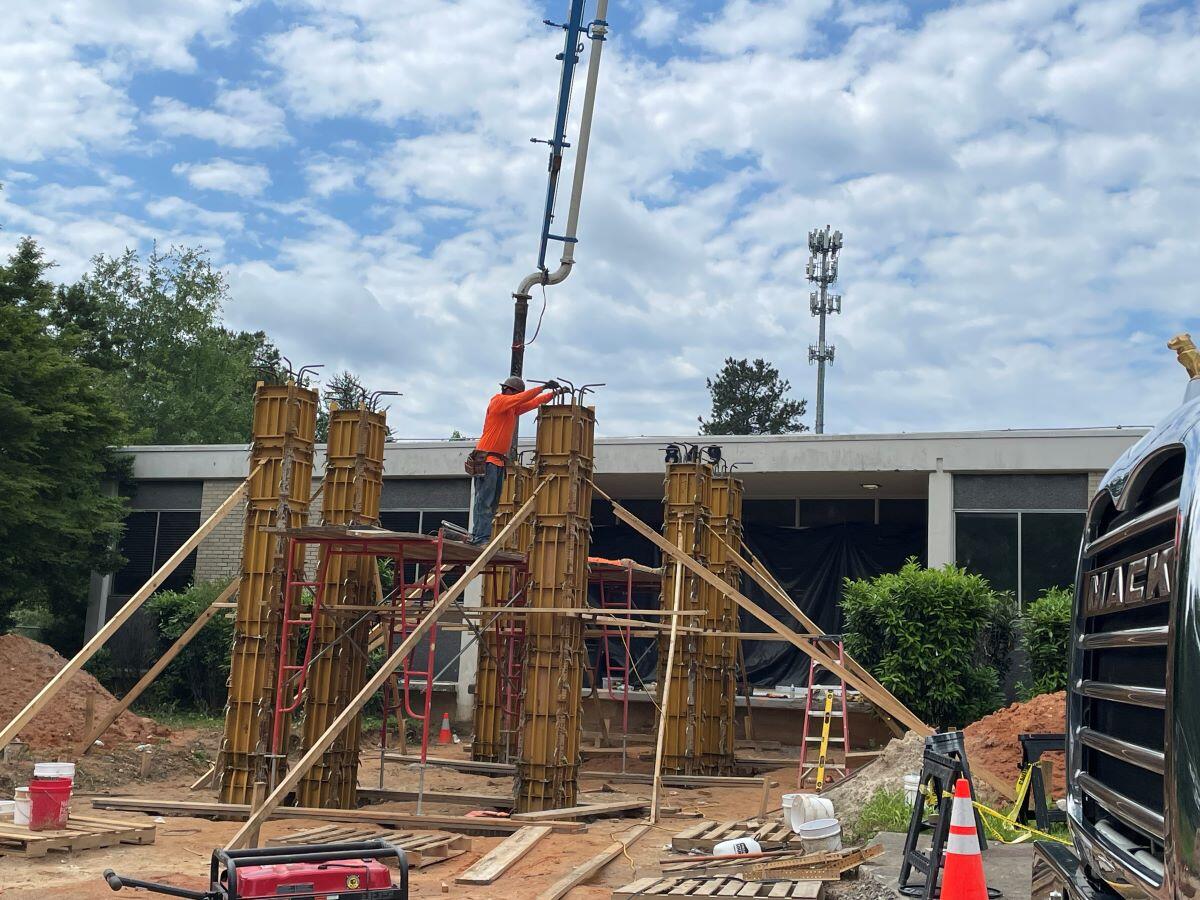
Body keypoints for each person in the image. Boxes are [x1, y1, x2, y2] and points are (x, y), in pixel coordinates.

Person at [465, 376, 564, 545]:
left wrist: (554, 394)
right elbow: (522, 399)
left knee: (493, 502)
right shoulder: (498, 401)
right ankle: (479, 537)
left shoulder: (511, 409)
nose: (518, 397)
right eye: (518, 394)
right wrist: (543, 387)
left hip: (497, 462)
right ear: (509, 391)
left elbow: (531, 403)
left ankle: (481, 536)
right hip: (487, 460)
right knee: (484, 501)